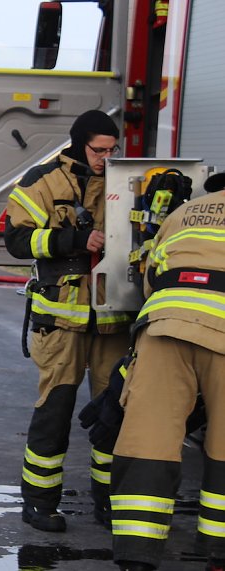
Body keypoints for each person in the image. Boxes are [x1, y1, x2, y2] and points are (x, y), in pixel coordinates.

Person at [4, 110, 135, 532]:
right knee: (55, 411)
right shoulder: (42, 181)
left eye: (113, 150)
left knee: (114, 412)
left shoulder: (126, 181)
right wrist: (72, 240)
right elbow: (17, 241)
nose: (106, 157)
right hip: (60, 320)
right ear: (80, 143)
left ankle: (109, 501)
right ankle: (40, 503)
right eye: (99, 150)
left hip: (112, 319)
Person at [109, 171, 225, 571]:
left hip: (163, 327)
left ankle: (136, 555)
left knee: (149, 438)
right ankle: (218, 551)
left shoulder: (184, 213)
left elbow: (151, 276)